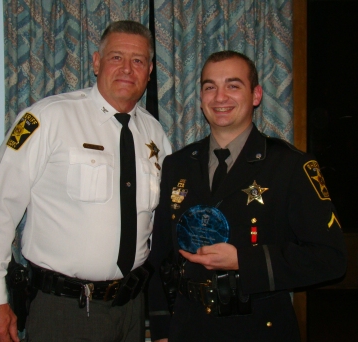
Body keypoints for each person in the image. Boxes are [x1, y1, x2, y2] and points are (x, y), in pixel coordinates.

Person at [0, 20, 171, 342]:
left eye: (138, 61)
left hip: (131, 309)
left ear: (149, 70)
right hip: (64, 310)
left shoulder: (155, 134)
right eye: (116, 57)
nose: (127, 69)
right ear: (96, 62)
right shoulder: (47, 118)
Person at [148, 51, 347, 342]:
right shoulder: (177, 164)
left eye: (233, 85)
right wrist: (162, 328)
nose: (220, 97)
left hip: (259, 328)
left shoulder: (290, 166)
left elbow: (331, 259)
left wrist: (244, 260)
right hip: (189, 328)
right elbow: (161, 254)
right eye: (210, 86)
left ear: (256, 95)